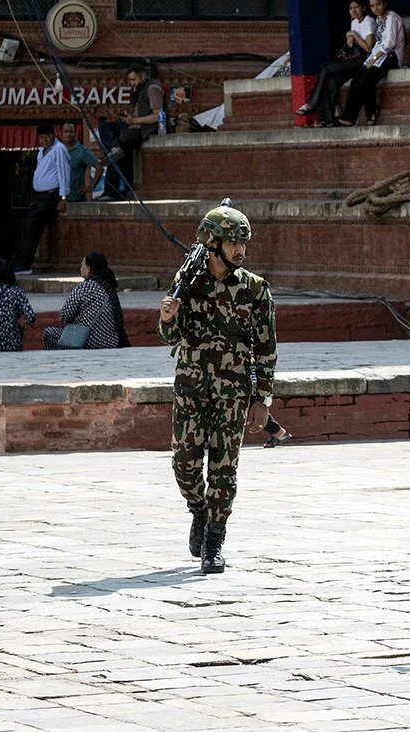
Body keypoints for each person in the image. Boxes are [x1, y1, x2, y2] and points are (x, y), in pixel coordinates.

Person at [159, 203, 277, 574]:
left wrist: (262, 399)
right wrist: (167, 317)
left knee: (224, 468)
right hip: (191, 387)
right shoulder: (188, 283)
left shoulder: (255, 290)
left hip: (233, 393)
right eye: (233, 243)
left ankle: (214, 540)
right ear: (212, 244)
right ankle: (199, 509)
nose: (241, 250)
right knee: (184, 464)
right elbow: (169, 337)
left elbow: (267, 348)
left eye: (244, 243)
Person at [297, 0, 377, 124]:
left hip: (365, 60)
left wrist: (353, 34)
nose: (354, 11)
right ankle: (326, 118)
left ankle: (313, 102)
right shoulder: (354, 22)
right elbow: (351, 44)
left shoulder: (369, 21)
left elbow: (368, 48)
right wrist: (350, 38)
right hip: (353, 59)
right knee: (332, 80)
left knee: (326, 68)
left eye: (356, 7)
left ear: (364, 8)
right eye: (351, 8)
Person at [335, 0, 403, 127]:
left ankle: (371, 112)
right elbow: (377, 44)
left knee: (367, 78)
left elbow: (389, 44)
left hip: (391, 56)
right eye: (372, 6)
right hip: (377, 55)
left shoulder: (392, 17)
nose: (376, 8)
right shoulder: (378, 20)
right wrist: (370, 59)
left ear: (385, 3)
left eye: (378, 4)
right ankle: (349, 117)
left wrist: (374, 59)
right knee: (356, 80)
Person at [41, 252, 130, 350]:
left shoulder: (86, 286)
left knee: (48, 333)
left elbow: (65, 315)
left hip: (87, 340)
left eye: (82, 265)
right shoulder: (110, 288)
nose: (81, 268)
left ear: (88, 269)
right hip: (111, 341)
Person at [14, 124, 70, 276]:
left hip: (51, 196)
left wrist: (63, 197)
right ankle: (21, 260)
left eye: (47, 137)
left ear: (54, 135)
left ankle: (25, 264)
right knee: (27, 226)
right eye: (41, 138)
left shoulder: (59, 149)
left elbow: (63, 172)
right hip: (39, 196)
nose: (44, 140)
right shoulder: (41, 152)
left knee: (32, 226)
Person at [106, 61, 169, 169]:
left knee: (124, 137)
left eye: (133, 79)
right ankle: (114, 150)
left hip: (147, 129)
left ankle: (115, 150)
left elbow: (158, 116)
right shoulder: (140, 90)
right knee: (107, 127)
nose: (131, 83)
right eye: (130, 80)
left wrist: (134, 121)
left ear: (142, 76)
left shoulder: (152, 88)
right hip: (136, 126)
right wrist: (128, 116)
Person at [60, 123, 102, 203]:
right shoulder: (57, 150)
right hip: (57, 199)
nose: (68, 134)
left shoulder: (83, 151)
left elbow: (100, 168)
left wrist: (90, 187)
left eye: (71, 132)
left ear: (75, 133)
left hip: (75, 200)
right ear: (61, 133)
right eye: (65, 131)